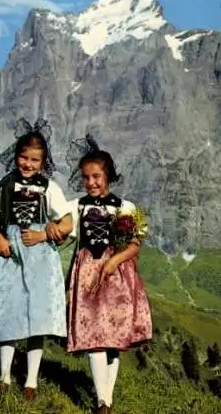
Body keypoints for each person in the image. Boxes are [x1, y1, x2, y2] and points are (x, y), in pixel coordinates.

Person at [0, 118, 72, 400]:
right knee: (9, 313)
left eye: (34, 160)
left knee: (37, 317)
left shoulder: (50, 188)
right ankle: (3, 376)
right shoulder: (5, 185)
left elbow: (66, 224)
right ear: (16, 156)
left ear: (43, 162)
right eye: (24, 157)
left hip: (39, 258)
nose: (28, 164)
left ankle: (30, 382)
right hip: (10, 257)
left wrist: (44, 234)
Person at [66, 134, 152, 414]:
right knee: (95, 336)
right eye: (86, 177)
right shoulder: (77, 206)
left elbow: (135, 244)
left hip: (117, 278)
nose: (91, 183)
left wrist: (116, 259)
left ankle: (107, 398)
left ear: (109, 176)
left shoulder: (125, 208)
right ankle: (103, 401)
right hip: (88, 275)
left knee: (113, 340)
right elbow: (62, 228)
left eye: (96, 176)